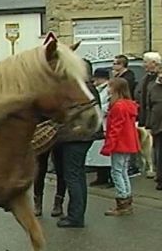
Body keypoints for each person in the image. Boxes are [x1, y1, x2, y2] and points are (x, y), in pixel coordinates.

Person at [54, 59, 102, 228]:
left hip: (74, 138)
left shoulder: (79, 89)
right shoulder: (89, 87)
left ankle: (75, 216)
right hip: (82, 137)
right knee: (78, 175)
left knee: (72, 176)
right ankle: (77, 213)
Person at [100, 77, 140, 216]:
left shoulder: (117, 106)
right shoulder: (129, 104)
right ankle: (127, 199)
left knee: (116, 172)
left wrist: (108, 146)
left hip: (120, 143)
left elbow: (115, 128)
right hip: (128, 142)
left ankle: (122, 200)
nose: (108, 90)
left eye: (110, 87)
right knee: (123, 171)